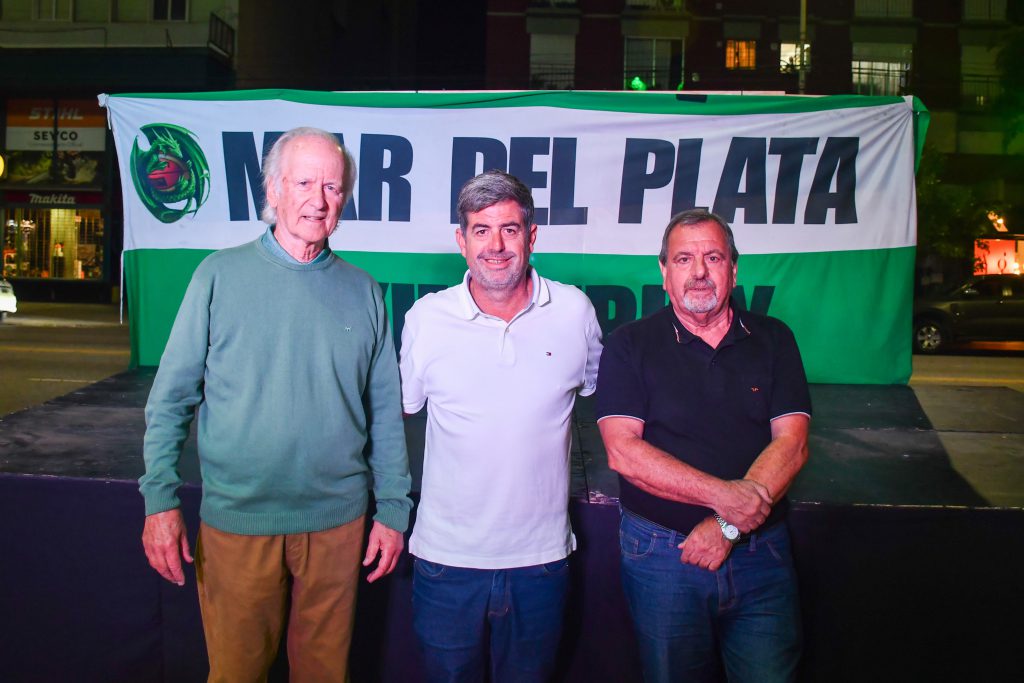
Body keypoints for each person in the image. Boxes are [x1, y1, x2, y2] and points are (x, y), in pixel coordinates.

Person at [139, 127, 412, 682]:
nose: (318, 199)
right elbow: (170, 398)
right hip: (239, 522)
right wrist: (158, 501)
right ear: (274, 188)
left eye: (333, 187)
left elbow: (385, 411)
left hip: (338, 526)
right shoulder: (217, 275)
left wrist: (393, 509)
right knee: (237, 674)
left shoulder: (364, 290)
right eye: (305, 182)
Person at [399, 169, 603, 682]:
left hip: (541, 562)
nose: (496, 245)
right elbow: (402, 408)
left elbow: (596, 392)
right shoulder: (426, 319)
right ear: (461, 240)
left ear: (531, 236)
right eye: (481, 230)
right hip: (445, 562)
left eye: (510, 229)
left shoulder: (575, 312)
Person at [595, 208, 811, 683]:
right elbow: (624, 452)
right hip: (661, 557)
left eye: (713, 257)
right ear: (664, 272)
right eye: (684, 259)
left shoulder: (774, 339)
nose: (698, 272)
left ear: (734, 269)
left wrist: (726, 526)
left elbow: (792, 445)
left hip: (761, 556)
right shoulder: (629, 344)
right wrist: (727, 501)